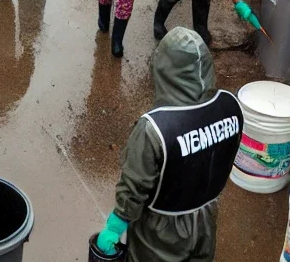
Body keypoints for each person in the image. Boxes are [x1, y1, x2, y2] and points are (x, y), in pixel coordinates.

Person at [91, 27, 244, 262]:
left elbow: (135, 186)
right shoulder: (231, 106)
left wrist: (115, 225)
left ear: (165, 70)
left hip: (162, 233)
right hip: (206, 219)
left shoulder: (156, 128)